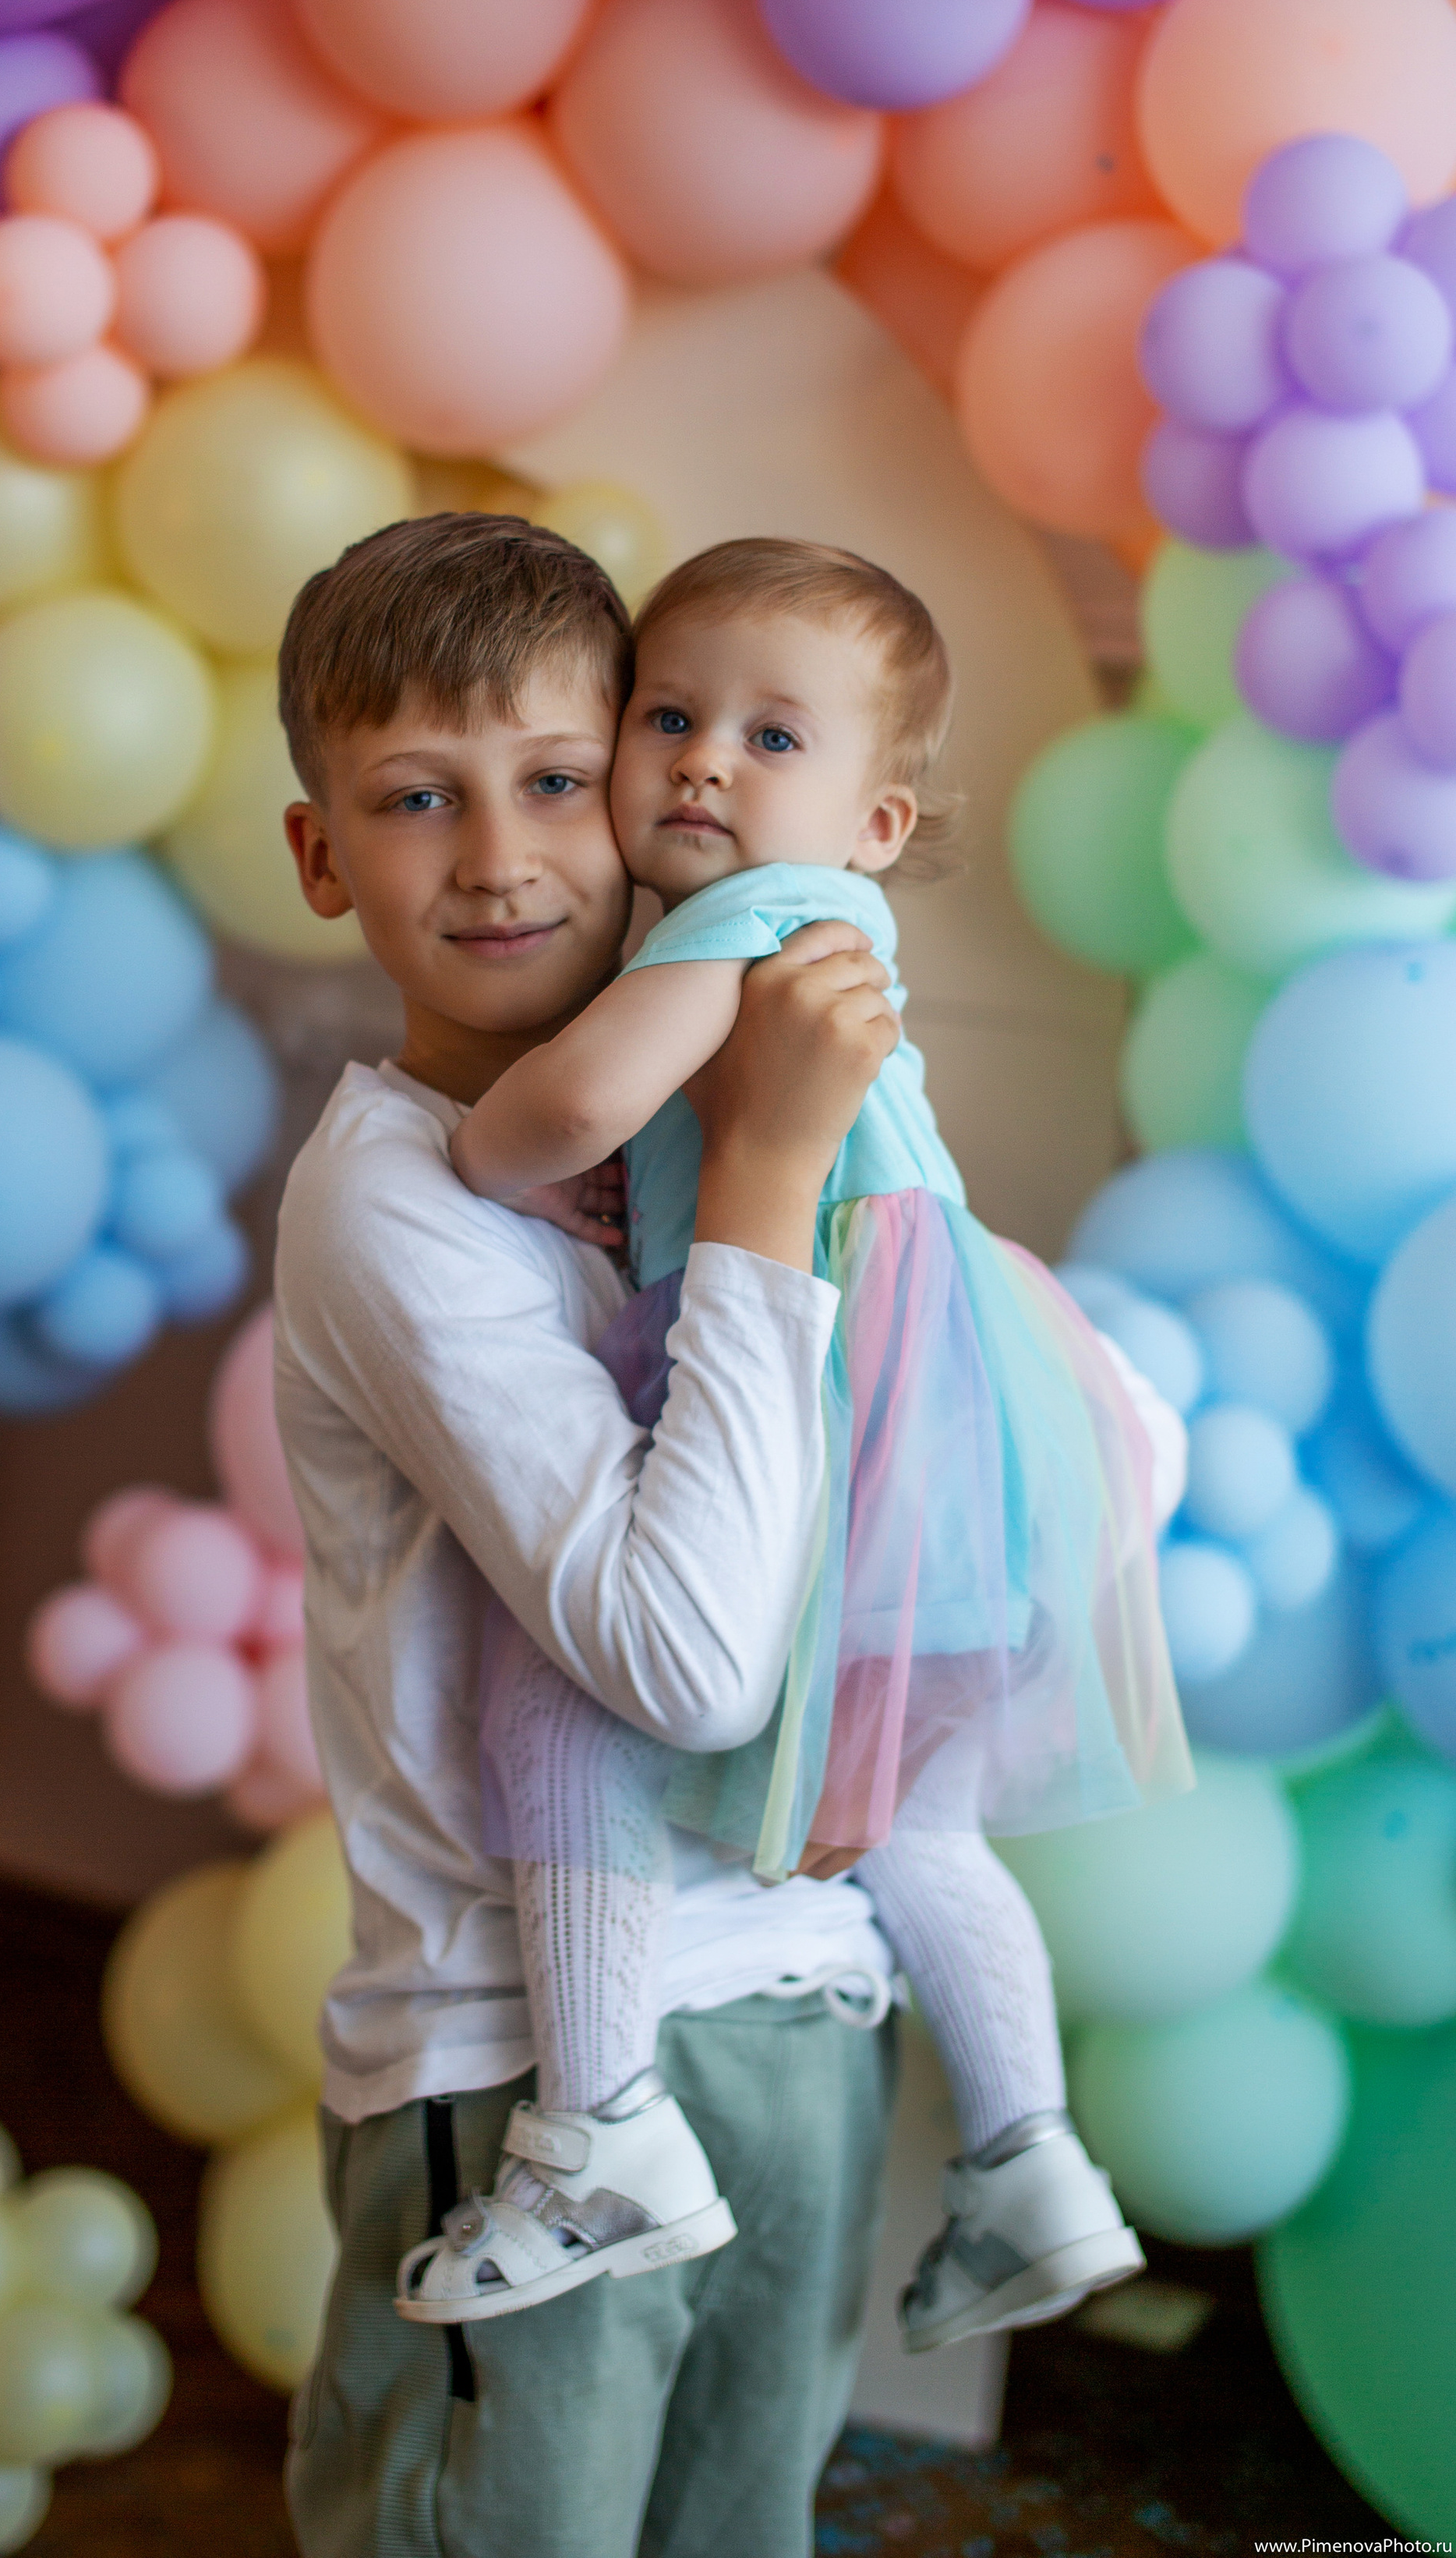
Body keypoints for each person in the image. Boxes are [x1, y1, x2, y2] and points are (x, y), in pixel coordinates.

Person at [404, 536, 1190, 2358]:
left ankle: (596, 2129)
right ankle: (1029, 2164)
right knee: (916, 1818)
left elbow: (575, 1106)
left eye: (770, 738)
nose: (698, 762)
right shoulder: (815, 927)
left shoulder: (749, 921)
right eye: (667, 717)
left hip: (838, 1391)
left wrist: (476, 1149)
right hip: (956, 1429)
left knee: (560, 1705)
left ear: (874, 819)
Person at [271, 511, 906, 2558]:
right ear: (318, 857)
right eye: (413, 801)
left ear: (647, 781)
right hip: (524, 2063)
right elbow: (685, 1660)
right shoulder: (392, 1202)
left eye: (557, 777)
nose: (501, 856)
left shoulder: (697, 1081)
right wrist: (776, 1168)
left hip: (803, 1987)